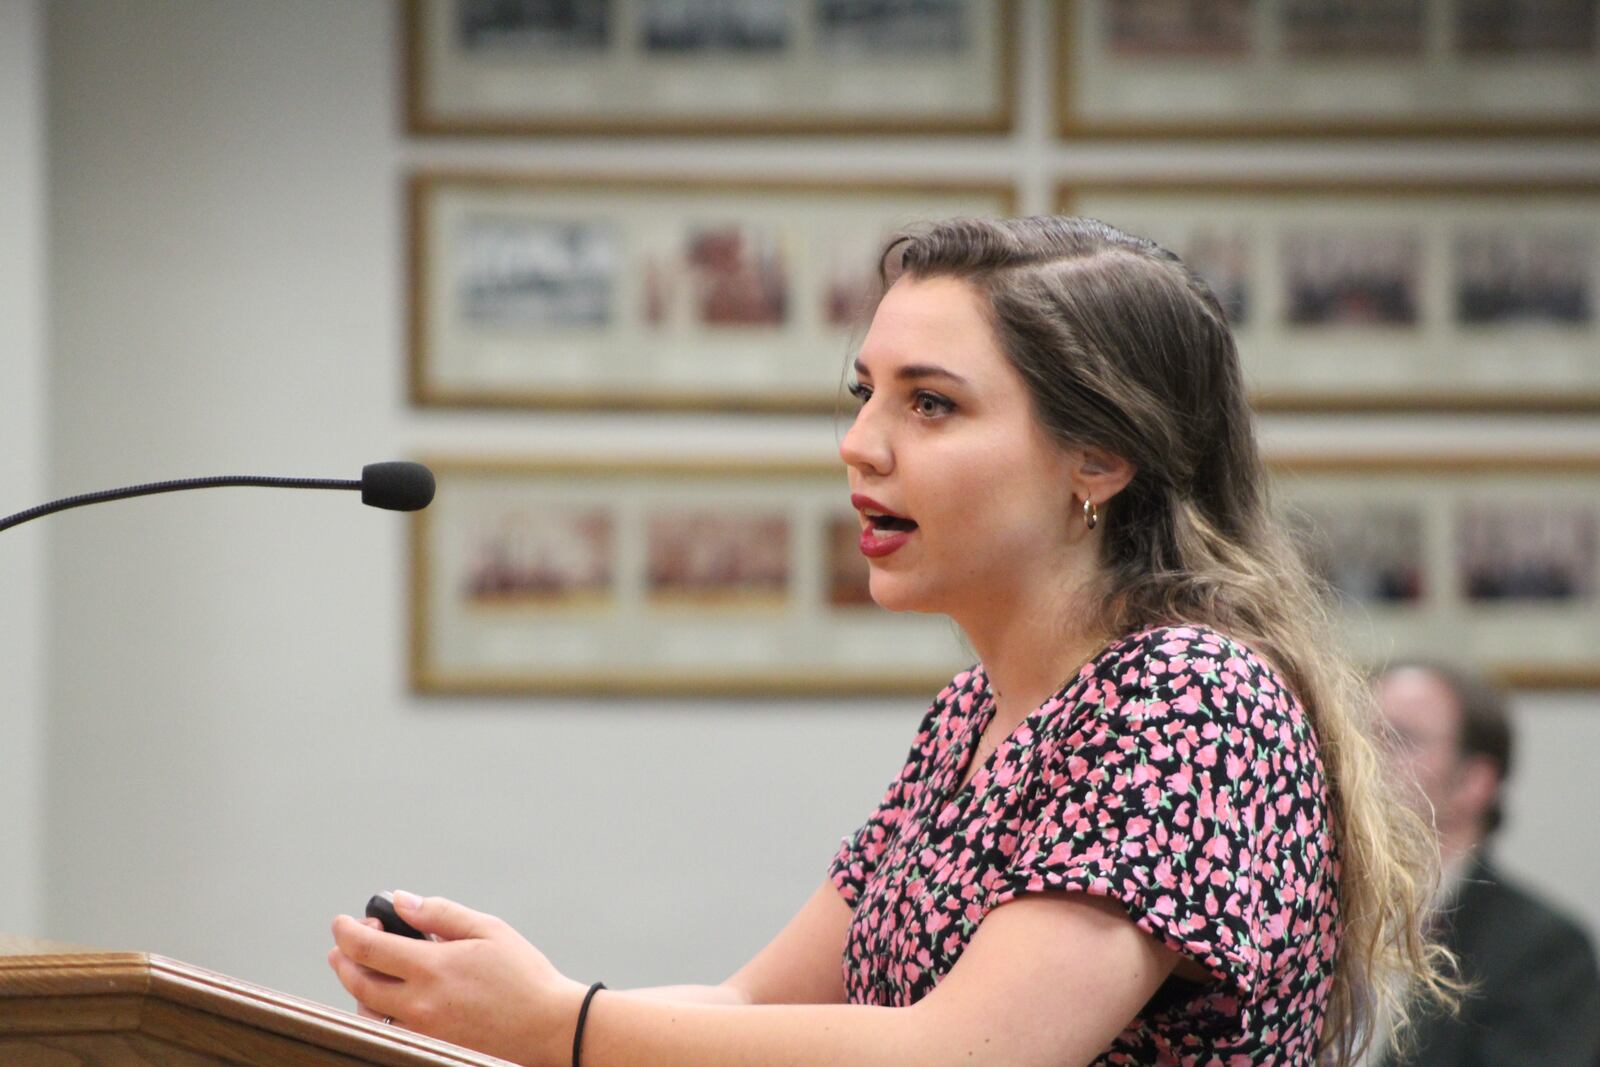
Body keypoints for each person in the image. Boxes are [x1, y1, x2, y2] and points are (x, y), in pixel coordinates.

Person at [327, 216, 1454, 1066]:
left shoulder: (1188, 694)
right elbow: (750, 1008)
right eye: (863, 392)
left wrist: (559, 1021)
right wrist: (512, 994)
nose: (859, 445)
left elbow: (971, 1052)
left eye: (930, 405)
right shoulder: (977, 712)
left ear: (1097, 460)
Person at [1375, 660, 1600, 1066]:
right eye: (1358, 736)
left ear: (1474, 781)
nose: (1366, 758)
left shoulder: (1545, 951)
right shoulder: (1310, 915)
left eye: (1398, 739)